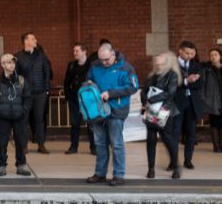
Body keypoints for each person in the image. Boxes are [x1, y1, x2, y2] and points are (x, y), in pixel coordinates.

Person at [86, 42, 138, 187]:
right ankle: (100, 173)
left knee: (116, 144)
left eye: (107, 60)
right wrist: (89, 86)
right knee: (100, 144)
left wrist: (111, 93)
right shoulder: (95, 65)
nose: (104, 63)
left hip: (116, 110)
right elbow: (88, 80)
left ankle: (118, 175)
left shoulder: (125, 67)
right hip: (97, 111)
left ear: (113, 55)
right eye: (101, 60)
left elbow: (133, 87)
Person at [0, 53, 31, 177]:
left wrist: (23, 111)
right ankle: (1, 165)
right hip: (3, 117)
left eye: (13, 62)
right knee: (2, 141)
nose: (12, 65)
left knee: (21, 140)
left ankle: (21, 164)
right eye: (9, 62)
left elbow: (28, 98)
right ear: (3, 65)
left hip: (19, 116)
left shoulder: (21, 80)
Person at [141, 52, 182, 179]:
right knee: (151, 140)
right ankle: (151, 169)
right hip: (151, 110)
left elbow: (170, 93)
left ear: (167, 62)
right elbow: (144, 91)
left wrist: (151, 100)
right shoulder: (152, 75)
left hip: (165, 111)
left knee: (168, 140)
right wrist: (144, 101)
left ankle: (176, 167)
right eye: (157, 59)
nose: (158, 62)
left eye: (161, 59)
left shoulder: (172, 75)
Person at [14, 32, 53, 154]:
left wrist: (47, 89)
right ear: (26, 41)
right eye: (33, 39)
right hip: (25, 94)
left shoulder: (41, 56)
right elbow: (15, 76)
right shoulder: (18, 56)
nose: (36, 40)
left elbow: (47, 72)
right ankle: (24, 146)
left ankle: (41, 145)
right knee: (23, 120)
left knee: (39, 119)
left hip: (40, 93)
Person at [198, 48, 222, 154]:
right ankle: (215, 145)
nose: (213, 57)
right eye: (211, 55)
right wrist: (203, 98)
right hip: (212, 99)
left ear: (220, 56)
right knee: (214, 123)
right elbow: (202, 85)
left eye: (215, 54)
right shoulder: (206, 69)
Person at [62, 43, 95, 155]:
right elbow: (66, 82)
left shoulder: (92, 65)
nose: (75, 53)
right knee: (74, 123)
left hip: (89, 100)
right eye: (74, 51)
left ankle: (93, 147)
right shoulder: (71, 65)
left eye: (77, 51)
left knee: (91, 123)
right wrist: (68, 96)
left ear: (84, 51)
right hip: (74, 99)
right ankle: (73, 146)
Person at [175, 41, 203, 169]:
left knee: (191, 134)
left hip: (192, 103)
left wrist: (187, 83)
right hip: (176, 103)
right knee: (174, 133)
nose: (189, 56)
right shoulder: (171, 65)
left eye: (192, 53)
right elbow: (170, 84)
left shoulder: (196, 65)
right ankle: (173, 161)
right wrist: (187, 81)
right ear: (180, 51)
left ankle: (188, 160)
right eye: (187, 53)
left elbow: (200, 84)